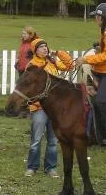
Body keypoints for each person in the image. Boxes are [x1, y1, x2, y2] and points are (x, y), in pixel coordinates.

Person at [25, 38, 73, 177]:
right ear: (35, 50)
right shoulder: (32, 65)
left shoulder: (52, 61)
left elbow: (70, 66)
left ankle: (50, 168)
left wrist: (58, 53)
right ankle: (32, 167)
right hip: (39, 108)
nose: (45, 49)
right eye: (41, 47)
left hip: (55, 108)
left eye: (46, 46)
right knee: (36, 139)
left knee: (53, 140)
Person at [75, 2, 106, 147]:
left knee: (101, 101)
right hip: (102, 70)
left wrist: (86, 59)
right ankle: (97, 133)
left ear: (104, 17)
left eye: (97, 16)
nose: (95, 19)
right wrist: (100, 46)